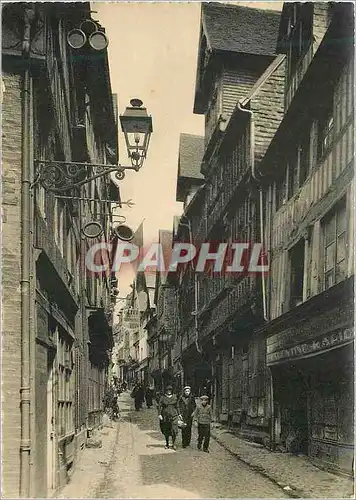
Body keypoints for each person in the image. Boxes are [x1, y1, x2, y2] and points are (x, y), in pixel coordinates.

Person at [158, 385, 179, 450]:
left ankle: (174, 444)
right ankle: (167, 444)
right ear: (166, 391)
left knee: (174, 430)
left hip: (174, 415)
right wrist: (159, 414)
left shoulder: (175, 397)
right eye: (167, 390)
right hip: (165, 416)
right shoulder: (162, 397)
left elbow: (177, 406)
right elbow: (159, 406)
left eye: (170, 390)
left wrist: (179, 414)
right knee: (166, 430)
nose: (169, 391)